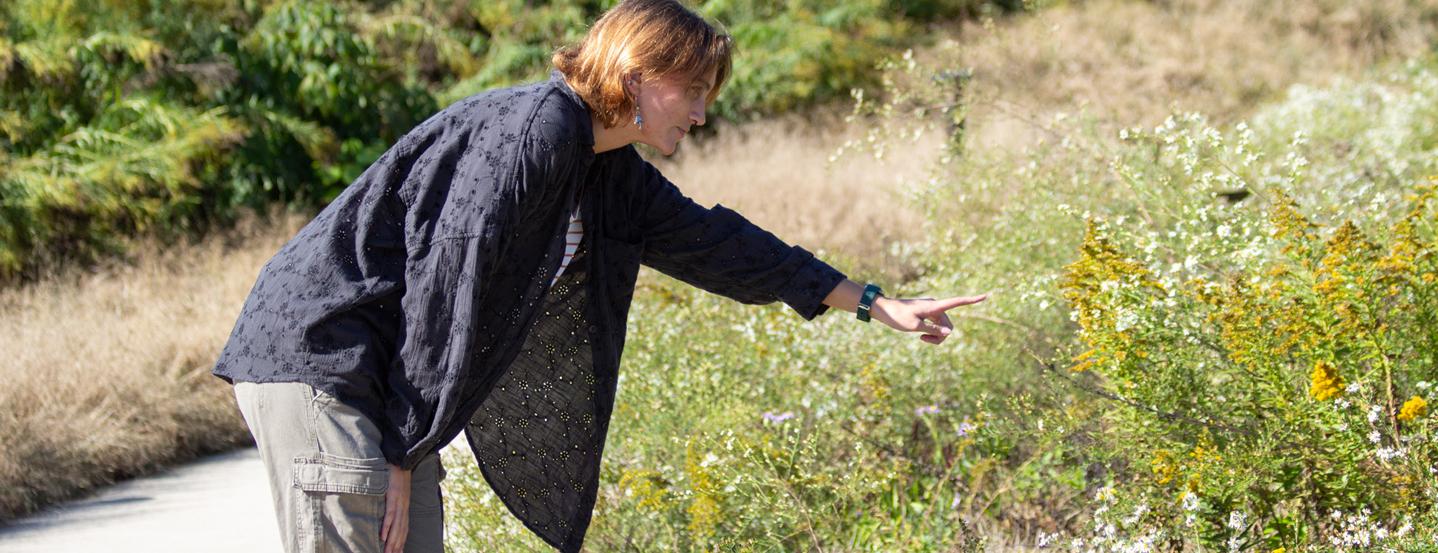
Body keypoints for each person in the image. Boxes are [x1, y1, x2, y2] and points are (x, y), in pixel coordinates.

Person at [212, 0, 989, 551]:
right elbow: (448, 281)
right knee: (367, 526)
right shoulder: (537, 132)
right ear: (640, 72)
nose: (702, 115)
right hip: (325, 357)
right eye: (693, 92)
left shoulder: (606, 165)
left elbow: (719, 245)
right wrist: (400, 450)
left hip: (381, 382)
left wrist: (874, 302)